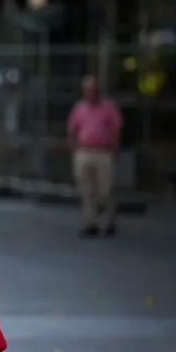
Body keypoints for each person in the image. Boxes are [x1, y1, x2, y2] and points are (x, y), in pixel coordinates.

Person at [67, 75, 123, 237]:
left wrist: (114, 148)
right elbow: (72, 129)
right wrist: (74, 150)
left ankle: (108, 220)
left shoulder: (108, 106)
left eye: (94, 90)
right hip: (84, 150)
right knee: (86, 189)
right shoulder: (79, 108)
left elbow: (115, 129)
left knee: (105, 190)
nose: (91, 93)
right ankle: (90, 223)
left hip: (103, 151)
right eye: (88, 90)